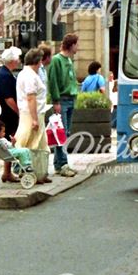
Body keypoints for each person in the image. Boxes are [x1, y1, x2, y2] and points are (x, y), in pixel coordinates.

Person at [15, 48, 51, 184]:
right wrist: (35, 119)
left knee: (40, 143)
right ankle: (30, 171)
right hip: (32, 114)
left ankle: (40, 172)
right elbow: (31, 98)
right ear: (38, 61)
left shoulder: (26, 74)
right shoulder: (30, 76)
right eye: (41, 61)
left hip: (33, 113)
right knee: (31, 143)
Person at [48, 33, 80, 178]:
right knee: (61, 133)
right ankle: (63, 163)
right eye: (77, 44)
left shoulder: (69, 60)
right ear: (72, 45)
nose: (78, 47)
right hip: (62, 99)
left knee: (63, 133)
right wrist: (56, 101)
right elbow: (53, 81)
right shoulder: (57, 60)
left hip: (70, 99)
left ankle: (59, 164)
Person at [0, 47, 22, 183]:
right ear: (13, 60)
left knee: (10, 142)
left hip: (7, 114)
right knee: (9, 141)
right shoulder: (5, 75)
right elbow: (8, 97)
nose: (19, 61)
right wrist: (18, 111)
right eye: (18, 58)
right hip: (7, 114)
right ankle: (7, 172)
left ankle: (7, 171)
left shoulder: (6, 73)